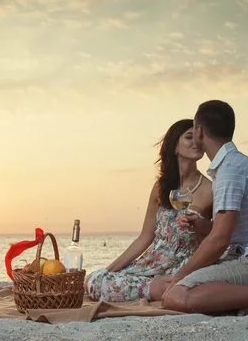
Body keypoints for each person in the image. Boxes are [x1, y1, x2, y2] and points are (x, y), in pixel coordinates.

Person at [161, 100, 248, 314]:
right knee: (175, 287)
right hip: (246, 261)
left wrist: (180, 277)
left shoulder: (230, 171)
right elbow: (223, 231)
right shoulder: (231, 165)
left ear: (199, 131)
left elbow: (219, 241)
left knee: (176, 295)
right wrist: (202, 225)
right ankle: (247, 300)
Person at [85, 119, 213, 303]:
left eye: (199, 137)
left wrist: (199, 225)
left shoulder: (211, 189)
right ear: (174, 146)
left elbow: (218, 235)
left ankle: (162, 288)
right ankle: (153, 289)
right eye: (188, 137)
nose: (196, 142)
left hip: (184, 265)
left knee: (101, 283)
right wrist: (109, 269)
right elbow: (145, 237)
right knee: (95, 280)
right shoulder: (162, 187)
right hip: (152, 263)